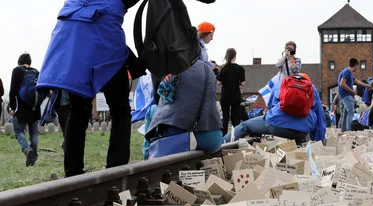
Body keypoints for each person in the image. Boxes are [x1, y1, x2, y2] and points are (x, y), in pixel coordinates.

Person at [37, 0, 147, 177]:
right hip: (107, 51)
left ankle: (72, 173)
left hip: (75, 52)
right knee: (120, 110)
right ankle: (116, 168)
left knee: (78, 111)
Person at [143, 59, 222, 159]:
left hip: (177, 134)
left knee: (152, 110)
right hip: (211, 139)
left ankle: (147, 158)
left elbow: (158, 100)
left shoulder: (168, 63)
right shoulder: (208, 69)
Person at [223, 74, 325, 145]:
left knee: (244, 126)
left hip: (277, 125)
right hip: (303, 128)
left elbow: (271, 105)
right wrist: (320, 141)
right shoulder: (312, 88)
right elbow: (320, 117)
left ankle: (220, 145)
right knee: (299, 139)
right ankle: (299, 143)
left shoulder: (281, 83)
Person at [9, 53, 41, 167]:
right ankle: (34, 156)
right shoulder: (36, 72)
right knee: (34, 133)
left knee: (18, 132)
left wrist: (12, 108)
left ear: (19, 62)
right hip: (34, 108)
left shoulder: (17, 71)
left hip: (21, 108)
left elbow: (12, 91)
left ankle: (27, 149)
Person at [217, 48, 246, 136]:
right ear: (235, 56)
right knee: (235, 118)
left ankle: (223, 137)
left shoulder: (223, 68)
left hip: (225, 95)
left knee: (225, 117)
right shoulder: (240, 68)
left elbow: (218, 83)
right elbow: (243, 83)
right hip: (235, 95)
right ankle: (236, 136)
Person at [337, 58, 370, 132]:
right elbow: (342, 84)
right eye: (357, 67)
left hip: (345, 96)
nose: (357, 69)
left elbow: (357, 81)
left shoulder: (347, 73)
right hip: (347, 95)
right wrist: (352, 91)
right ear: (355, 65)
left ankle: (343, 131)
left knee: (345, 114)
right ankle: (348, 130)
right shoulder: (347, 71)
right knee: (351, 112)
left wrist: (367, 85)